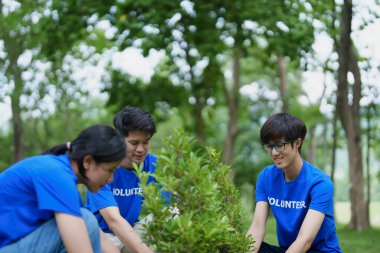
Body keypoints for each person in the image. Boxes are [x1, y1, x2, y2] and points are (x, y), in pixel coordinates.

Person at [0, 124, 126, 253]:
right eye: (110, 170)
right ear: (87, 161)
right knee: (86, 220)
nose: (111, 179)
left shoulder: (62, 174)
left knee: (87, 222)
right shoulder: (56, 174)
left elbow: (102, 240)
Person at [247, 113, 342, 253]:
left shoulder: (320, 183)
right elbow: (256, 228)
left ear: (297, 143)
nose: (273, 152)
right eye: (269, 146)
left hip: (318, 251)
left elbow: (305, 241)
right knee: (239, 246)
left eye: (279, 145)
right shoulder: (265, 177)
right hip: (288, 250)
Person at [86, 106, 160, 253]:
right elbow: (114, 221)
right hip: (103, 237)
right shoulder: (102, 167)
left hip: (132, 232)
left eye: (145, 142)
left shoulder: (154, 165)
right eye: (134, 143)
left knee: (174, 212)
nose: (141, 149)